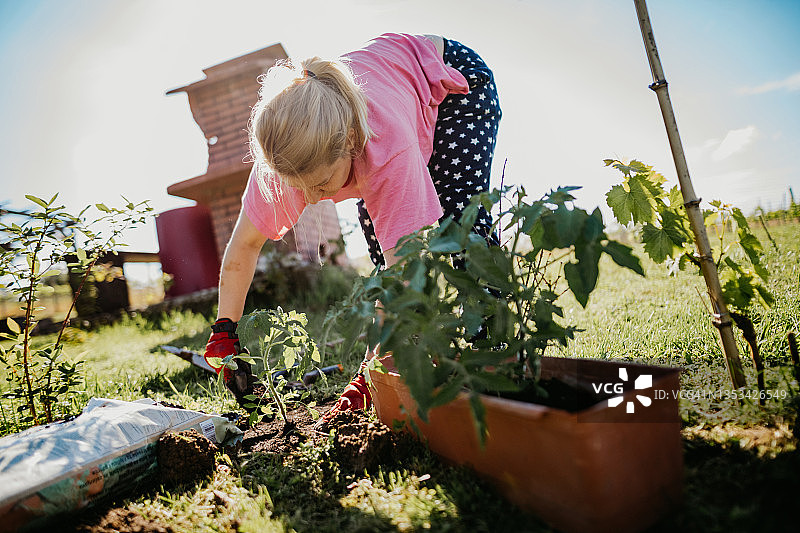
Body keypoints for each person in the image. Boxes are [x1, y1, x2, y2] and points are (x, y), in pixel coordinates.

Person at [203, 32, 502, 417]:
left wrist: (369, 371)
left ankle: (493, 359)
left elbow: (404, 273)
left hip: (451, 86)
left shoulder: (386, 150)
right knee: (381, 249)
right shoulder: (286, 157)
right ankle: (417, 357)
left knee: (462, 224)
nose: (310, 200)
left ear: (348, 143)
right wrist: (224, 332)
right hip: (383, 106)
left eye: (321, 185)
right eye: (301, 188)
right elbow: (242, 247)